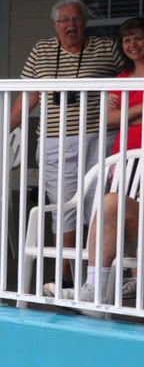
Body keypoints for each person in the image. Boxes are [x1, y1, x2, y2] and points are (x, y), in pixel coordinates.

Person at [9, 0, 126, 265]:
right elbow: (29, 95)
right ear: (55, 25)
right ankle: (65, 275)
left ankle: (96, 273)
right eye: (64, 20)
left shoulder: (106, 48)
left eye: (76, 19)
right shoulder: (42, 50)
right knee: (63, 205)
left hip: (100, 138)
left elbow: (129, 81)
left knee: (98, 203)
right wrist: (3, 130)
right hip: (54, 139)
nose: (70, 25)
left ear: (85, 23)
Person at [62, 16, 144, 303]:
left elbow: (116, 116)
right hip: (125, 162)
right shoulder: (121, 79)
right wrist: (138, 109)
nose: (132, 44)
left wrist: (124, 111)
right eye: (127, 39)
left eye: (138, 37)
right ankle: (95, 289)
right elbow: (106, 120)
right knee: (111, 205)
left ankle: (136, 280)